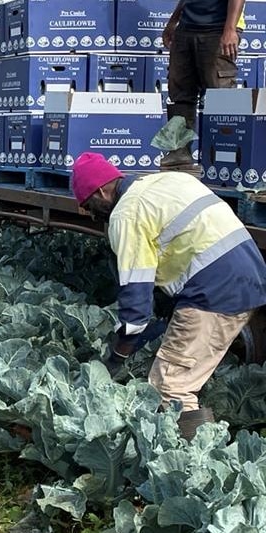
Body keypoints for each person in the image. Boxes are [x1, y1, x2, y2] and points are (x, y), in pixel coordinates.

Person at [72, 152, 266, 440]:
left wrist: (117, 355)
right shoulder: (166, 181)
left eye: (89, 206)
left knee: (170, 386)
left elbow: (136, 298)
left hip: (214, 291)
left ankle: (198, 466)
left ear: (101, 191)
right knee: (187, 363)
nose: (91, 214)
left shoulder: (127, 213)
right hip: (251, 275)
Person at [160, 0, 245, 169]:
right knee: (179, 94)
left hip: (218, 28)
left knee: (221, 95)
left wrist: (230, 29)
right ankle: (179, 150)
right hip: (186, 28)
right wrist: (173, 21)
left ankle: (223, 153)